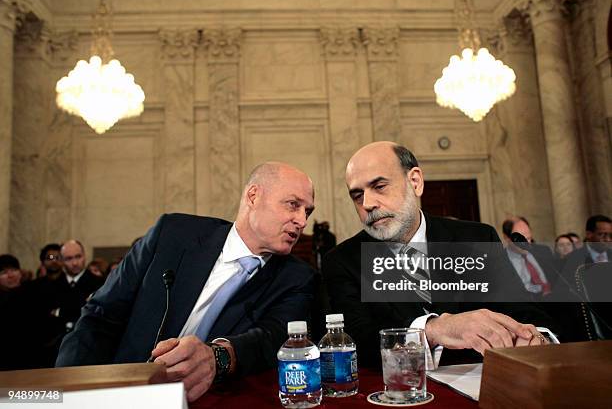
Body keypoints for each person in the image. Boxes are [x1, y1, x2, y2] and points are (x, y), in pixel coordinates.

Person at [56, 162, 316, 402]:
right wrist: (66, 391)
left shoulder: (298, 278)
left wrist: (218, 357)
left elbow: (270, 339)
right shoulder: (172, 234)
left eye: (308, 211)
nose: (302, 221)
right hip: (116, 392)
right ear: (253, 196)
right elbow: (100, 316)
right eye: (293, 205)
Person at [323, 142, 551, 369]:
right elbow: (356, 346)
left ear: (415, 182)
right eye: (357, 195)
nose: (368, 204)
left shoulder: (477, 239)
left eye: (380, 186)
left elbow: (525, 315)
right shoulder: (343, 261)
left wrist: (533, 339)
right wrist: (432, 330)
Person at [501, 217, 558, 296]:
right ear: (506, 238)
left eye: (529, 238)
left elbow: (557, 279)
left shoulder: (544, 251)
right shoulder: (500, 261)